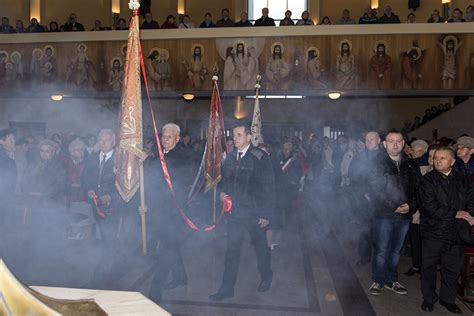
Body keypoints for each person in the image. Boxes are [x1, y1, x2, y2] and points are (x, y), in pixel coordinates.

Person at [209, 124, 275, 301]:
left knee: (261, 248)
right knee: (232, 252)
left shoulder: (259, 157)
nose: (235, 138)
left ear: (248, 137)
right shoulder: (230, 158)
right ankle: (226, 288)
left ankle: (266, 276)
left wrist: (266, 214)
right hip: (235, 214)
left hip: (254, 213)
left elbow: (268, 187)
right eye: (234, 135)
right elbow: (224, 181)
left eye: (239, 135)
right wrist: (222, 193)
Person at [419, 146, 474, 313]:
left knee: (452, 269)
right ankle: (429, 298)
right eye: (436, 158)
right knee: (428, 268)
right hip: (434, 232)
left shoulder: (463, 179)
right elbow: (429, 207)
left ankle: (447, 299)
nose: (437, 160)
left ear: (452, 161)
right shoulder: (427, 180)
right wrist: (457, 213)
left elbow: (471, 200)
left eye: (442, 158)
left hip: (457, 232)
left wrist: (470, 215)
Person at [368, 130, 421, 296]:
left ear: (404, 143)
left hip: (405, 215)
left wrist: (411, 206)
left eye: (399, 141)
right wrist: (393, 206)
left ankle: (391, 279)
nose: (395, 144)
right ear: (384, 144)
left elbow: (419, 189)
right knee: (382, 249)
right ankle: (378, 280)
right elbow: (374, 190)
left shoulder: (411, 164)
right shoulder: (377, 163)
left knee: (396, 250)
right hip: (383, 213)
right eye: (391, 141)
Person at [148, 123, 190, 301]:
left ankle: (155, 291)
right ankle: (181, 277)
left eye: (169, 137)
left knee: (165, 250)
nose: (165, 140)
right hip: (160, 210)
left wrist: (148, 160)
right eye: (163, 137)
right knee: (171, 246)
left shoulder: (181, 156)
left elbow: (169, 174)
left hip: (174, 212)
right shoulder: (160, 154)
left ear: (177, 139)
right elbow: (153, 180)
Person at [82, 129, 123, 287]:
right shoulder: (92, 157)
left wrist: (111, 196)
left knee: (109, 237)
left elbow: (124, 183)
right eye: (101, 140)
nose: (103, 143)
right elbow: (85, 177)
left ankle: (104, 273)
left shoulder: (119, 160)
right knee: (107, 237)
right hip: (96, 204)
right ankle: (117, 262)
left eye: (106, 140)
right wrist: (89, 189)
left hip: (113, 206)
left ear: (113, 142)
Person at [349, 131, 381, 266]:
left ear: (379, 141)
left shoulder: (385, 157)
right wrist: (364, 192)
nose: (368, 142)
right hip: (365, 200)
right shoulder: (359, 157)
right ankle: (364, 256)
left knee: (381, 231)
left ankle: (380, 259)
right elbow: (353, 176)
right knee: (365, 230)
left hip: (382, 200)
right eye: (367, 140)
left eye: (372, 139)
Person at [0, 129, 17, 241]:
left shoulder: (7, 155)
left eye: (14, 139)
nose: (14, 141)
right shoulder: (3, 157)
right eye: (10, 139)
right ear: (1, 141)